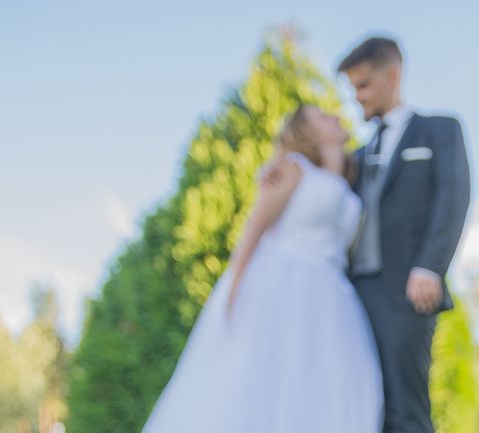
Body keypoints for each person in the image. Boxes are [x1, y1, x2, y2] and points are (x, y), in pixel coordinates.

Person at [141, 104, 384, 433]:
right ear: (307, 133)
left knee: (333, 386)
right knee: (267, 383)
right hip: (284, 284)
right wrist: (234, 288)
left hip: (331, 297)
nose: (337, 117)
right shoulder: (293, 169)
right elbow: (254, 230)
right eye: (324, 117)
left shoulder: (351, 178)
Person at [338, 36, 471, 433]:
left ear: (392, 76)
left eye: (363, 85)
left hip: (407, 289)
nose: (357, 97)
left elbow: (453, 198)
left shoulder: (439, 131)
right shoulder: (358, 156)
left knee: (405, 408)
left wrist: (430, 266)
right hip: (354, 293)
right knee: (365, 405)